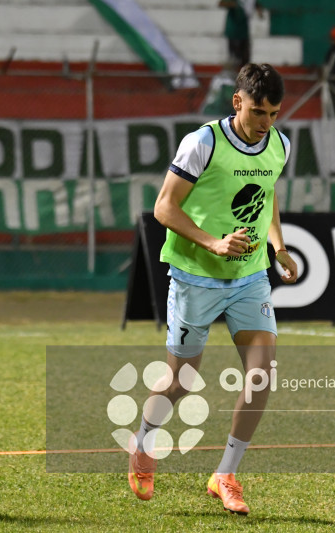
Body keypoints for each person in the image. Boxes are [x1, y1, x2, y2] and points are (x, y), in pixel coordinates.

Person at [127, 63, 298, 516]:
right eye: (259, 112)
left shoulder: (279, 144)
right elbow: (164, 207)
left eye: (275, 113)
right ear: (237, 101)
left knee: (261, 374)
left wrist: (277, 246)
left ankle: (225, 473)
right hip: (194, 276)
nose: (267, 123)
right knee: (182, 379)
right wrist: (212, 242)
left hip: (248, 278)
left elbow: (267, 193)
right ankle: (143, 447)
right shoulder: (203, 142)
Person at [219, 0, 263, 70]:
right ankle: (233, 75)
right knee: (235, 59)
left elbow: (254, 3)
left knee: (245, 58)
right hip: (234, 31)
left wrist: (259, 10)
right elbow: (221, 3)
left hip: (244, 31)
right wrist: (232, 4)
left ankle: (244, 75)